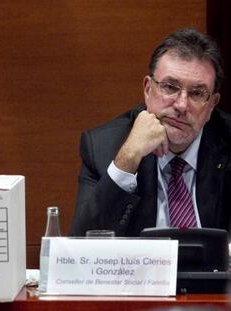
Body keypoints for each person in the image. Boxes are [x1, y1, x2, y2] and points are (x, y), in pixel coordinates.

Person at [70, 28, 231, 237]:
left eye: (197, 93)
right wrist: (128, 159)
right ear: (148, 90)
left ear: (211, 105)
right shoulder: (104, 147)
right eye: (170, 87)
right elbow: (81, 249)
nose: (182, 105)